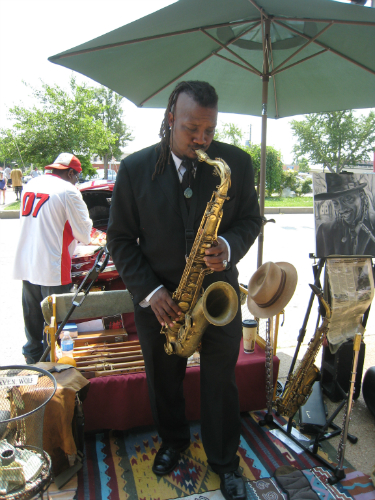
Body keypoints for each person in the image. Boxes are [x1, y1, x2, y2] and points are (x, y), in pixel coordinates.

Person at [107, 81, 261, 500]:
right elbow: (119, 239)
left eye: (209, 130)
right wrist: (150, 291)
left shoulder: (236, 163)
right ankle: (174, 442)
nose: (202, 139)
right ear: (170, 118)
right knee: (164, 380)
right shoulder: (135, 168)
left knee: (220, 382)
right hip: (160, 301)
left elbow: (250, 221)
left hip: (216, 298)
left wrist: (228, 247)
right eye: (192, 128)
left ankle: (225, 460)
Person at [13, 153, 92, 364]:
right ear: (70, 172)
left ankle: (32, 361)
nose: (77, 181)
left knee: (32, 318)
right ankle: (52, 368)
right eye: (77, 176)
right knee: (55, 324)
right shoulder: (69, 191)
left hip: (27, 261)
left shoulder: (33, 183)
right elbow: (85, 234)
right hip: (52, 266)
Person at [315, 174, 375, 257]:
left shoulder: (372, 225)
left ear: (362, 196)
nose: (342, 208)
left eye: (348, 199)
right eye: (335, 203)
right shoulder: (326, 230)